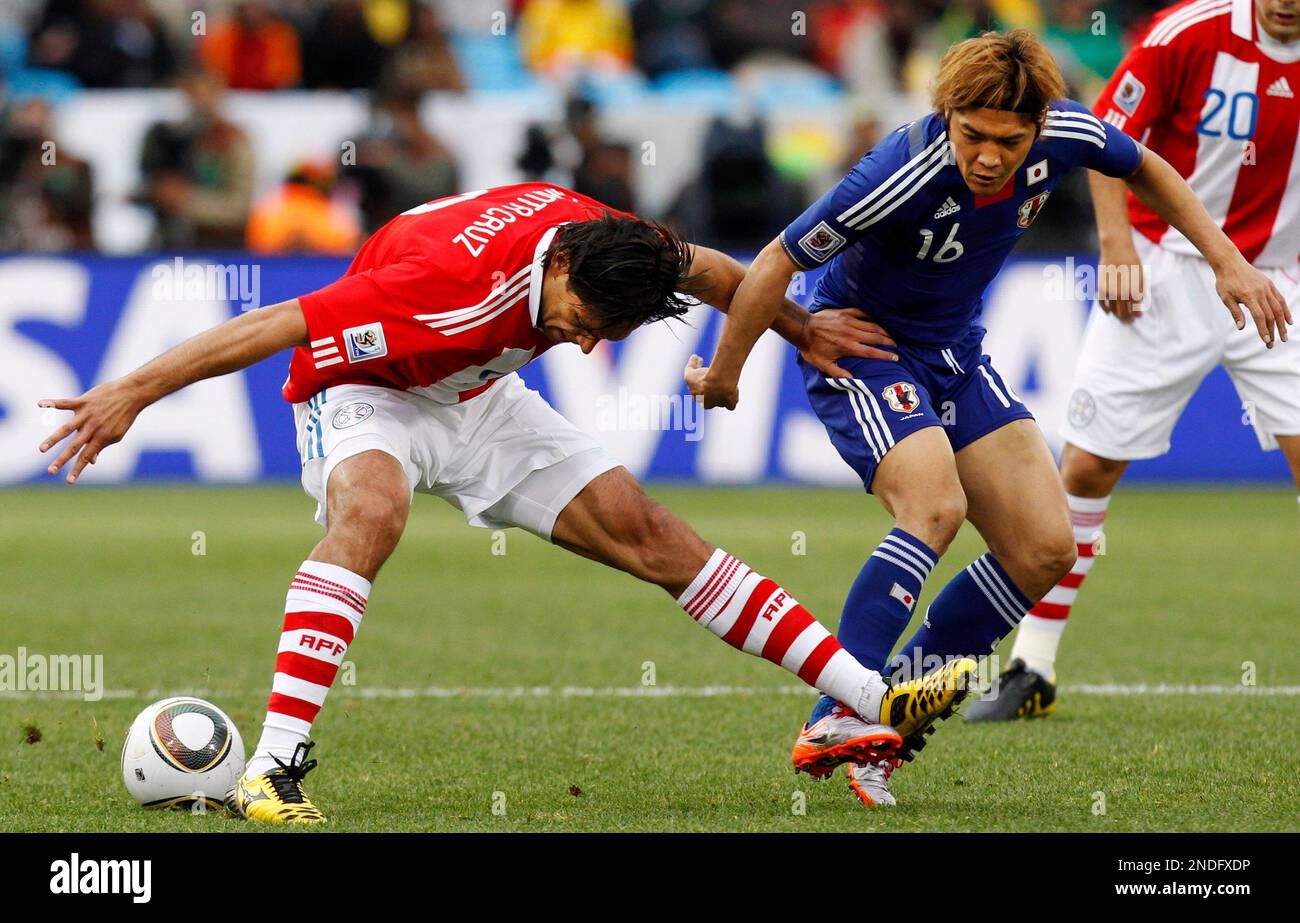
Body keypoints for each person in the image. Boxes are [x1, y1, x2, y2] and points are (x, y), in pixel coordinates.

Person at [37, 182, 972, 824]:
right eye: (576, 323)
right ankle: (270, 771)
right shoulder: (440, 288)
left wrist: (802, 330)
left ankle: (863, 700)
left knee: (656, 537)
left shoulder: (612, 244)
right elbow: (274, 323)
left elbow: (717, 270)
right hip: (371, 389)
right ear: (557, 272)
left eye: (599, 337)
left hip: (482, 396)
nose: (577, 345)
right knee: (371, 515)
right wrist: (132, 392)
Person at [686, 30, 1289, 807]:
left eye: (1009, 141)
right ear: (946, 116)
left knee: (1046, 546)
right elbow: (776, 260)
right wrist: (728, 373)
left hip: (955, 354)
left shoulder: (1067, 130)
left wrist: (1227, 261)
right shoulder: (897, 171)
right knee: (936, 505)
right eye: (972, 135)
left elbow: (1143, 165)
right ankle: (840, 709)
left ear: (1039, 127)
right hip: (862, 345)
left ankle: (890, 720)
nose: (989, 157)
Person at [972, 0, 1300, 721]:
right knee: (1085, 467)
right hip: (1163, 270)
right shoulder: (1187, 32)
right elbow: (1106, 135)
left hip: (1281, 279)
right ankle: (1033, 665)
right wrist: (1116, 247)